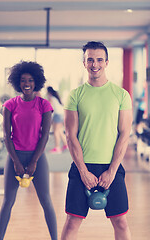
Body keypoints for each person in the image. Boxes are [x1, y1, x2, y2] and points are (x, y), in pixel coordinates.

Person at [61, 41, 132, 240]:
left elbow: (124, 134)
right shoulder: (75, 95)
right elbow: (70, 135)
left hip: (112, 166)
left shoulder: (121, 95)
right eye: (90, 59)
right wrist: (83, 171)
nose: (95, 64)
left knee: (120, 221)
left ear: (107, 62)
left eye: (99, 59)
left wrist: (112, 170)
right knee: (72, 221)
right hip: (81, 165)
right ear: (84, 63)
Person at [0, 61, 58, 240]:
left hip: (37, 158)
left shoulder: (44, 105)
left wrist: (33, 161)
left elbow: (45, 136)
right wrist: (16, 161)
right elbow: (6, 136)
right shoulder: (10, 105)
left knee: (46, 201)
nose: (27, 84)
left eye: (30, 80)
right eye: (23, 80)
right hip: (14, 156)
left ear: (36, 82)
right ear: (18, 82)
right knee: (8, 201)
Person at [47, 86, 68, 153]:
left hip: (57, 115)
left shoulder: (51, 98)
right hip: (62, 114)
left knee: (55, 131)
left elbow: (50, 108)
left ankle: (57, 147)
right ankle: (66, 145)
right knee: (60, 131)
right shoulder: (56, 97)